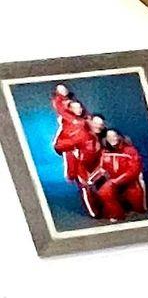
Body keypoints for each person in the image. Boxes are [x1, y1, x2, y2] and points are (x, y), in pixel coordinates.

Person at [49, 89, 103, 217]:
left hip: (94, 157)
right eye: (75, 108)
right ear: (70, 110)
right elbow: (58, 146)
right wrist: (75, 144)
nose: (79, 109)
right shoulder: (68, 124)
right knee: (85, 185)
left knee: (100, 181)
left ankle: (103, 205)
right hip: (80, 161)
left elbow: (98, 132)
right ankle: (94, 212)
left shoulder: (87, 120)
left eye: (80, 107)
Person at [89, 128, 146, 219]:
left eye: (114, 136)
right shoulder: (104, 152)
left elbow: (134, 170)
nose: (112, 139)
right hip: (112, 182)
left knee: (139, 207)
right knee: (103, 192)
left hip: (129, 182)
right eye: (109, 137)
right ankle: (117, 214)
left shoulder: (130, 150)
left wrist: (116, 181)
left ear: (119, 137)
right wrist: (91, 179)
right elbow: (101, 168)